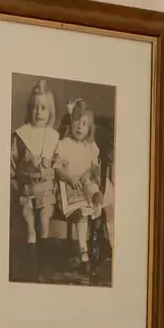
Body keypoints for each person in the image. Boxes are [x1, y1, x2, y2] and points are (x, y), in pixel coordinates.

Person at [53, 97, 106, 271]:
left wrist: (88, 174)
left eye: (84, 123)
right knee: (82, 210)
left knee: (91, 187)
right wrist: (70, 178)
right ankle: (84, 250)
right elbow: (57, 168)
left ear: (89, 127)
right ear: (70, 123)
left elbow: (95, 167)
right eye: (76, 122)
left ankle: (97, 202)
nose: (79, 126)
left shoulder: (91, 146)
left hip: (85, 183)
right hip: (68, 185)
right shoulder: (64, 144)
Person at [12, 79, 59, 256]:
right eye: (34, 107)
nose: (38, 112)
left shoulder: (54, 137)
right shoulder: (21, 136)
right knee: (28, 219)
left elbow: (57, 164)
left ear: (50, 112)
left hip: (46, 190)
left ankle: (44, 260)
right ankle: (30, 257)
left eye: (43, 108)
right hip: (26, 189)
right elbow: (12, 162)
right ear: (29, 109)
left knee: (45, 218)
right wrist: (14, 181)